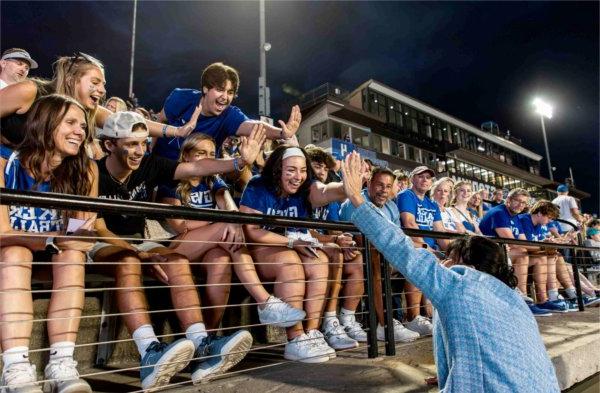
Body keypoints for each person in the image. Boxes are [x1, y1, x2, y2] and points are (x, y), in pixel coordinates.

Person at [339, 151, 560, 393]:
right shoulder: (513, 298)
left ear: (466, 265)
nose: (444, 263)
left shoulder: (460, 286)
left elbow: (398, 246)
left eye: (450, 259)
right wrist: (456, 371)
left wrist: (356, 198)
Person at [90, 111, 264, 389]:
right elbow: (97, 228)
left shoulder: (149, 163)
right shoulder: (93, 171)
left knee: (178, 260)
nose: (139, 150)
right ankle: (149, 352)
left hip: (139, 239)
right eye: (131, 144)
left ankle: (202, 343)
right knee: (128, 261)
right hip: (103, 240)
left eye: (144, 143)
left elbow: (195, 169)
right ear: (110, 145)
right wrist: (140, 254)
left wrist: (239, 161)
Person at [158, 133, 306, 330]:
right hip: (179, 246)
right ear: (186, 156)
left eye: (212, 153)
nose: (208, 158)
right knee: (224, 227)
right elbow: (180, 224)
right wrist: (220, 219)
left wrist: (232, 219)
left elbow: (229, 206)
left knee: (222, 259)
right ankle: (264, 301)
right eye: (201, 153)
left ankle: (208, 335)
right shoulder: (172, 181)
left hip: (210, 245)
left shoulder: (213, 180)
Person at [0, 95, 98, 393]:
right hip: (10, 258)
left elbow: (82, 236)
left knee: (72, 257)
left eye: (82, 125)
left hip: (50, 258)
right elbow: (2, 233)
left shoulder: (87, 169)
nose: (80, 131)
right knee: (16, 250)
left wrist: (57, 241)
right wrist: (53, 239)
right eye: (70, 123)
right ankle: (15, 369)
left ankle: (61, 363)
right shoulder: (5, 161)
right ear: (45, 124)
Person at [239, 145, 350, 363]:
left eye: (302, 170)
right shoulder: (258, 185)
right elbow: (250, 232)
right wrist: (290, 242)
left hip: (293, 244)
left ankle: (311, 332)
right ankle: (295, 338)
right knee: (290, 261)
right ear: (277, 169)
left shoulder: (306, 187)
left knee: (319, 259)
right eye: (291, 170)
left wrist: (347, 187)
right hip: (260, 249)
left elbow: (325, 191)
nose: (298, 177)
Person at [0, 52, 199, 153]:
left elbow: (127, 121)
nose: (102, 91)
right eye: (95, 83)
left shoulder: (85, 109)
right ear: (71, 80)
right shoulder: (30, 91)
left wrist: (177, 131)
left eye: (103, 84)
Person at [155, 62, 302, 161]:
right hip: (165, 166)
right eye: (219, 90)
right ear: (205, 88)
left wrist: (282, 133)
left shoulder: (229, 115)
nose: (225, 97)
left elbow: (253, 125)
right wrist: (149, 155)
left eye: (230, 92)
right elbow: (160, 121)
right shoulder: (181, 97)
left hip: (202, 175)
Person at [340, 167, 420, 343]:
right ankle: (384, 324)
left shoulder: (391, 206)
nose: (384, 190)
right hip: (360, 254)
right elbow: (360, 240)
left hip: (388, 253)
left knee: (420, 255)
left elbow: (398, 236)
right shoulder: (354, 202)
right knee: (375, 258)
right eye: (379, 185)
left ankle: (415, 317)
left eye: (388, 186)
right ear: (369, 184)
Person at [305, 147, 367, 346]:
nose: (322, 171)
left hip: (324, 245)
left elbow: (332, 229)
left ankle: (347, 319)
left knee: (356, 256)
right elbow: (303, 231)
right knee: (335, 253)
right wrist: (333, 241)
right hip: (302, 245)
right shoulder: (304, 191)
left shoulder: (329, 198)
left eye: (324, 167)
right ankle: (329, 320)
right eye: (316, 166)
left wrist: (343, 239)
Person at [479, 188, 551, 316]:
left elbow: (524, 241)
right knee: (522, 253)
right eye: (517, 201)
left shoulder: (516, 217)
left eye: (524, 203)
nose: (520, 205)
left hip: (506, 254)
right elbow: (512, 242)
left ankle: (543, 300)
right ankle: (523, 302)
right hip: (487, 255)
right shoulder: (499, 212)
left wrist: (544, 248)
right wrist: (544, 247)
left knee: (541, 258)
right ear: (508, 200)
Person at [396, 166, 448, 335]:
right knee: (421, 258)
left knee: (453, 261)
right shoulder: (406, 196)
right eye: (421, 176)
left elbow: (440, 231)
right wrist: (427, 248)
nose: (425, 180)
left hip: (430, 248)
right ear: (412, 178)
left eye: (428, 178)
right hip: (411, 244)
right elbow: (409, 224)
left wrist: (453, 251)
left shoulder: (432, 204)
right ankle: (413, 318)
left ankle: (441, 313)